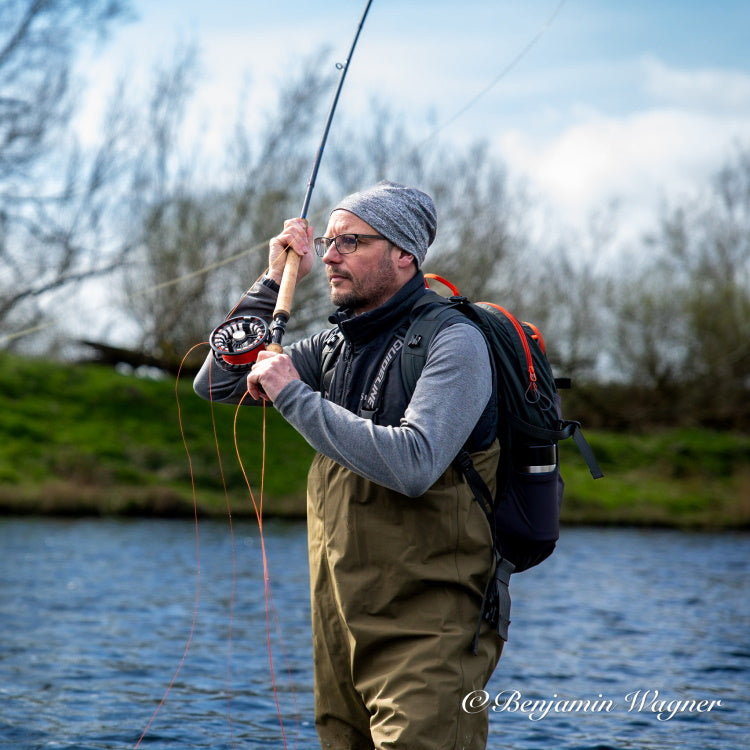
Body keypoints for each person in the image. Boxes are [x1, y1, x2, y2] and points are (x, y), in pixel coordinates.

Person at [194, 181, 504, 750]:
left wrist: (292, 394)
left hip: (429, 631)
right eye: (329, 241)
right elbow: (215, 381)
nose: (329, 256)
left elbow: (416, 463)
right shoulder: (335, 346)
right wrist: (272, 281)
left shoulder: (454, 343)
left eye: (351, 242)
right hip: (341, 629)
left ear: (404, 254)